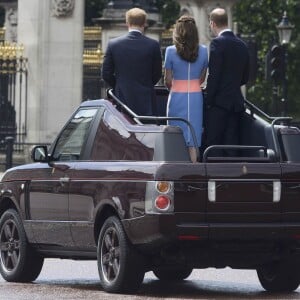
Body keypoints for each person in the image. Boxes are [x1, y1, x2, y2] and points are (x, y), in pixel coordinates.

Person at [204, 7, 250, 157]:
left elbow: (214, 76)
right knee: (232, 147)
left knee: (213, 147)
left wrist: (208, 101)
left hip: (219, 105)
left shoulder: (218, 43)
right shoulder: (242, 45)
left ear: (212, 23)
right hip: (236, 104)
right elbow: (245, 78)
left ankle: (214, 180)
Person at [102, 7, 162, 116]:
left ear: (127, 23)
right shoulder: (153, 45)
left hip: (122, 99)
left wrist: (119, 85)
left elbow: (106, 74)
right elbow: (157, 73)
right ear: (144, 23)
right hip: (146, 101)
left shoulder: (113, 44)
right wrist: (146, 84)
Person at [164, 15, 208, 163]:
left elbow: (168, 80)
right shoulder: (203, 51)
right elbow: (202, 78)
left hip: (176, 96)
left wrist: (176, 85)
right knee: (193, 136)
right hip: (195, 97)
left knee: (176, 134)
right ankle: (194, 172)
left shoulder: (170, 51)